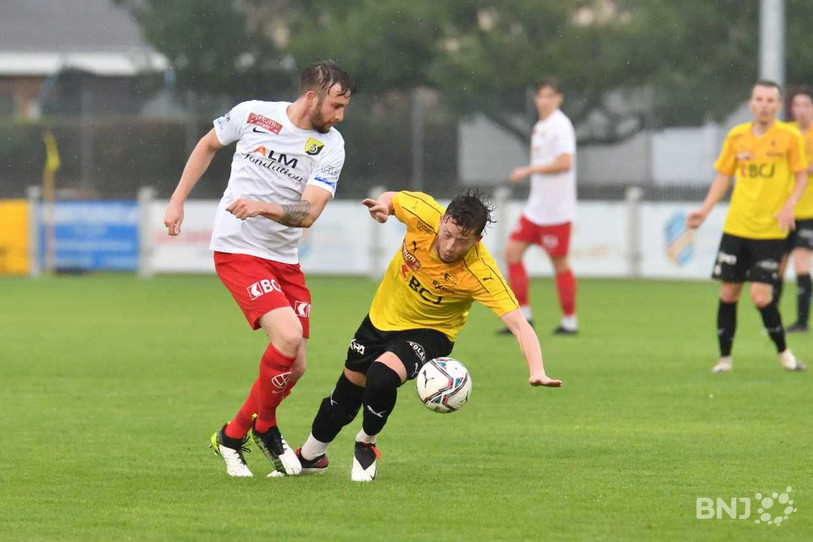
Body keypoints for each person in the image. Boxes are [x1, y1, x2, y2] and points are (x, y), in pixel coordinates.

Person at [163, 61, 355, 477]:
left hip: (284, 257)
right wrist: (177, 200)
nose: (340, 116)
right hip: (237, 249)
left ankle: (236, 433)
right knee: (286, 337)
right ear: (312, 97)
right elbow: (207, 145)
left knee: (297, 363)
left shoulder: (331, 145)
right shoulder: (252, 114)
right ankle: (261, 428)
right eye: (336, 105)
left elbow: (307, 214)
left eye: (344, 108)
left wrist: (262, 206)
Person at [293, 189, 562, 482]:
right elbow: (392, 198)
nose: (450, 246)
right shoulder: (423, 213)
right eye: (448, 234)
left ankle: (367, 440)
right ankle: (311, 456)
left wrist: (537, 370)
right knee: (346, 393)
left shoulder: (480, 273)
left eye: (462, 241)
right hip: (382, 318)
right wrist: (383, 206)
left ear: (477, 240)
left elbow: (520, 325)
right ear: (442, 220)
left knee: (382, 376)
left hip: (432, 332)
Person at [686, 80, 808, 373]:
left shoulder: (789, 137)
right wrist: (704, 211)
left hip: (770, 231)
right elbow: (722, 177)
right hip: (737, 227)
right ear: (751, 103)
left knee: (760, 296)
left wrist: (790, 203)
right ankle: (724, 360)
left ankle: (785, 355)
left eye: (770, 100)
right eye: (759, 99)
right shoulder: (737, 136)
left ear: (778, 106)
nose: (764, 105)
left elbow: (801, 176)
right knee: (728, 294)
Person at [502, 77, 578, 335]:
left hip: (557, 212)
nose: (543, 100)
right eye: (540, 96)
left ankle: (570, 322)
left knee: (560, 264)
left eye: (549, 95)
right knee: (512, 253)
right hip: (536, 209)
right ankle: (524, 317)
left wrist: (530, 169)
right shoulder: (540, 126)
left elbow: (566, 162)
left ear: (559, 98)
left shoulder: (561, 125)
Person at [774, 87, 813, 332]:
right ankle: (772, 320)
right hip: (785, 210)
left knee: (801, 265)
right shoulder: (785, 133)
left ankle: (801, 321)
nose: (801, 109)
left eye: (806, 105)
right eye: (797, 105)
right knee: (778, 265)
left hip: (808, 211)